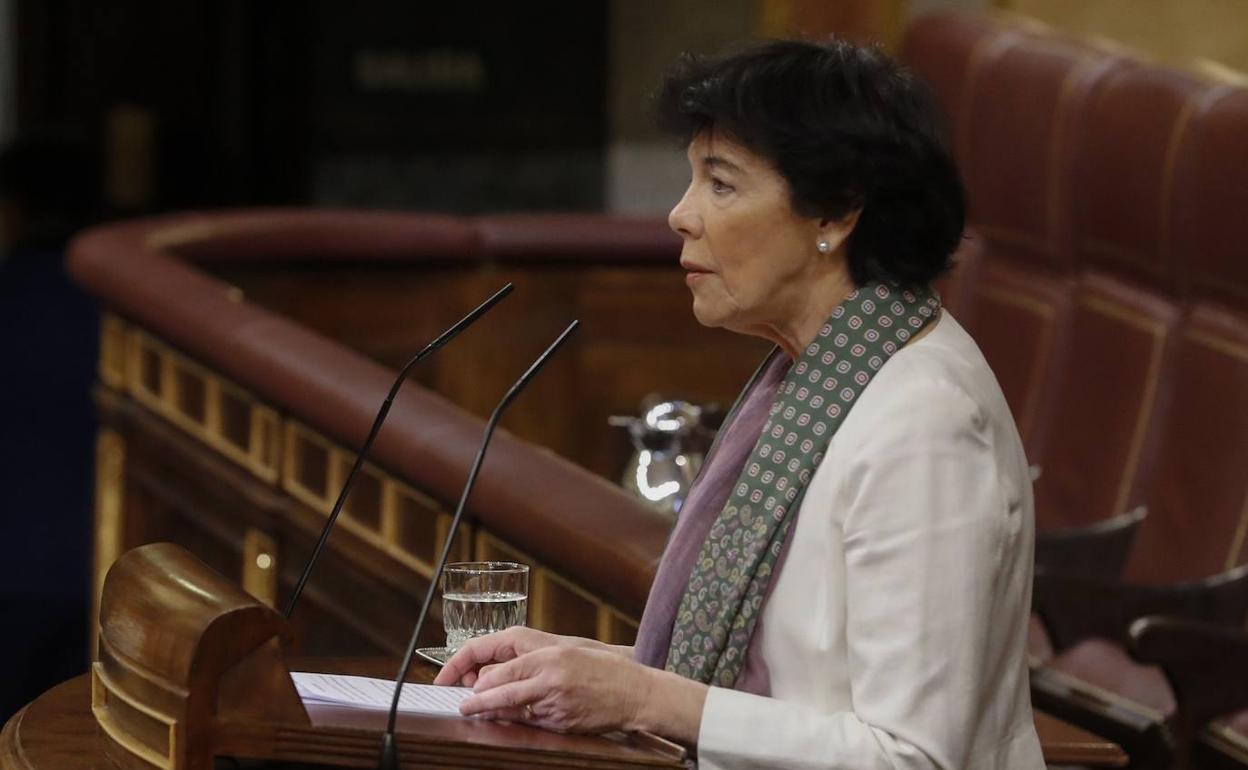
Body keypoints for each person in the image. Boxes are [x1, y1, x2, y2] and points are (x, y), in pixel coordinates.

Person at [435, 38, 1044, 769]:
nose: (680, 216)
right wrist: (587, 670)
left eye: (720, 184)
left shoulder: (924, 419)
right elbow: (785, 681)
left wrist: (644, 698)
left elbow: (911, 756)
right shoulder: (812, 379)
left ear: (836, 211)